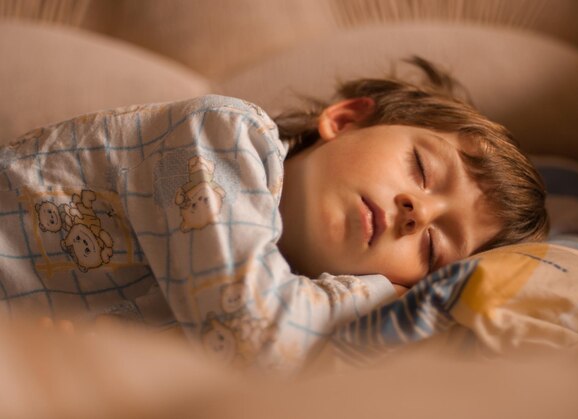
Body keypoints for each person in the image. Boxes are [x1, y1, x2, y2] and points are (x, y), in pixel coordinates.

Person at [0, 56, 548, 369]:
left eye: (433, 247)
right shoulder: (226, 136)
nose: (416, 212)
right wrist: (381, 294)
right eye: (422, 170)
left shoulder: (292, 302)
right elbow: (256, 340)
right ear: (346, 119)